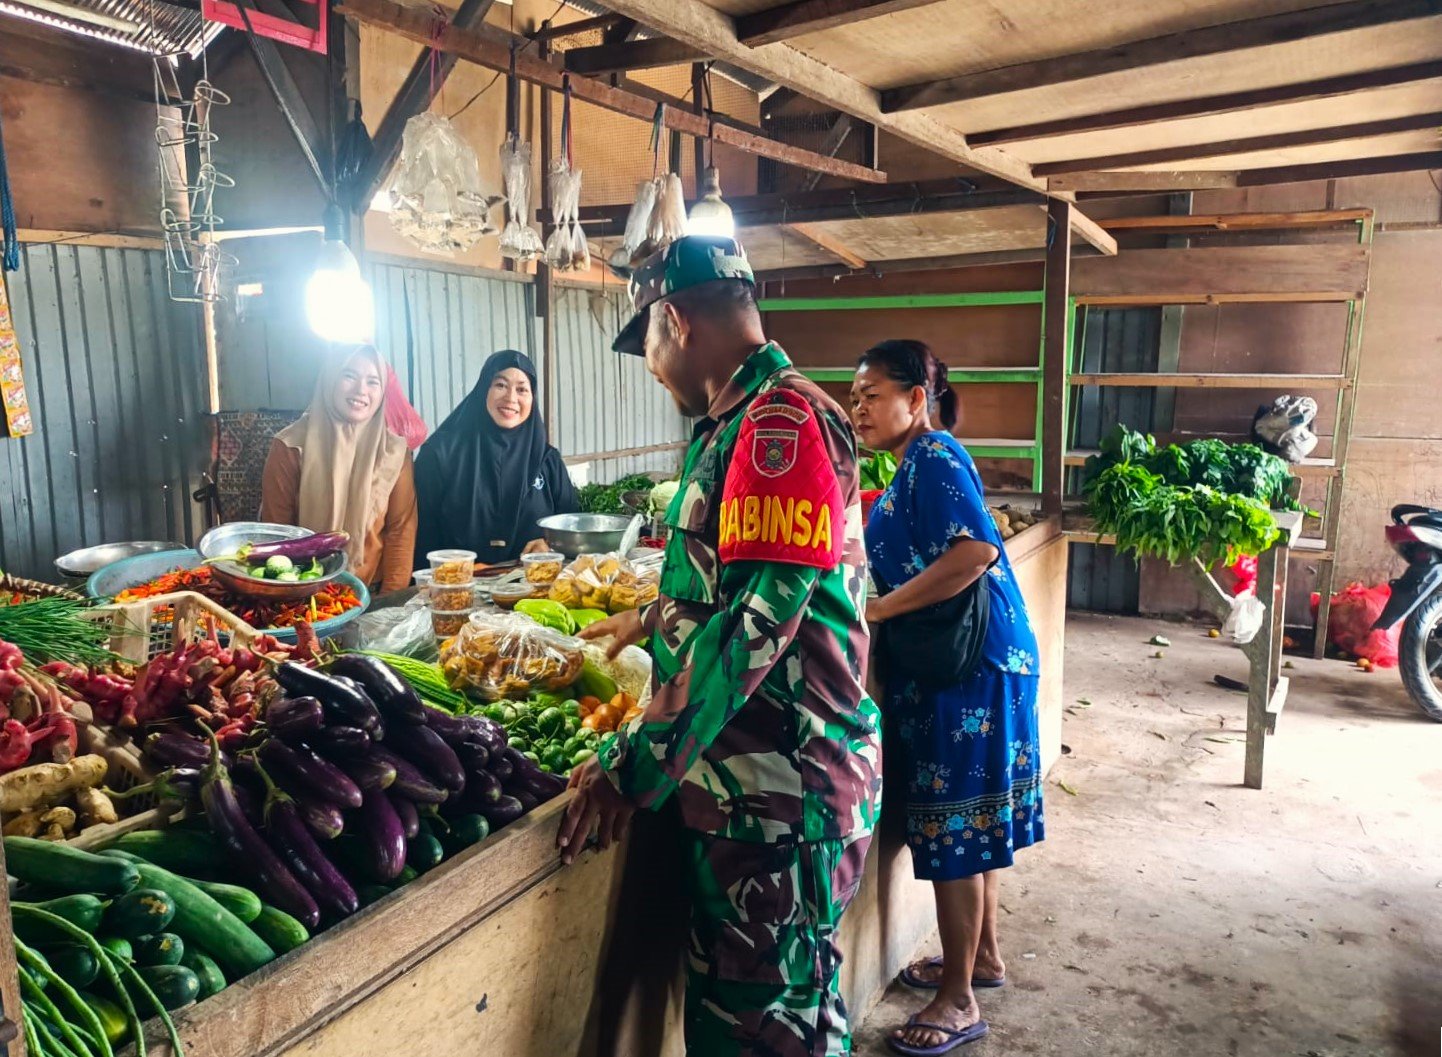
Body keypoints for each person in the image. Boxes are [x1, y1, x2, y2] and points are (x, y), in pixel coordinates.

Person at [557, 236, 882, 1057]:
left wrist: (631, 761)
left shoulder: (780, 421)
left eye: (648, 346)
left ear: (674, 319)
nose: (651, 366)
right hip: (749, 788)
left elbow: (753, 626)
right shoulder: (735, 421)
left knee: (773, 1032)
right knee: (764, 1023)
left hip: (784, 792)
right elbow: (716, 593)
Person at [851, 340, 1044, 1055]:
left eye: (873, 393)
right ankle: (982, 956)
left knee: (956, 827)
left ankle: (958, 997)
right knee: (971, 817)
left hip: (969, 670)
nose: (858, 406)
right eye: (854, 395)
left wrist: (878, 610)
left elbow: (975, 553)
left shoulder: (932, 457)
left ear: (916, 398)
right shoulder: (911, 466)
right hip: (973, 663)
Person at [259, 343, 416, 595]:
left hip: (372, 595)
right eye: (349, 376)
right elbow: (278, 534)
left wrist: (391, 602)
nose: (361, 390)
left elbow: (400, 530)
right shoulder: (290, 446)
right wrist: (290, 597)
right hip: (303, 594)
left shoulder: (394, 452)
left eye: (373, 382)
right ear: (330, 378)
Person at [412, 350, 578, 566]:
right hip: (456, 588)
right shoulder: (440, 454)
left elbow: (571, 524)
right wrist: (455, 568)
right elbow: (421, 532)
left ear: (532, 398)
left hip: (534, 588)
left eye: (522, 389)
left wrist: (549, 542)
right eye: (500, 385)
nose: (511, 398)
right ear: (484, 389)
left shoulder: (547, 461)